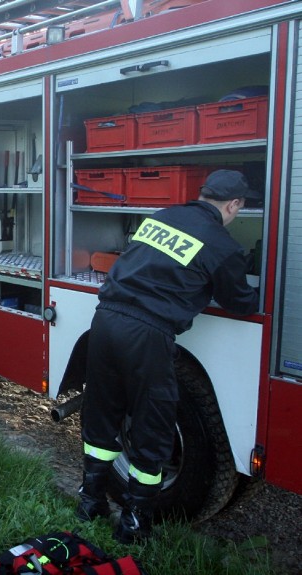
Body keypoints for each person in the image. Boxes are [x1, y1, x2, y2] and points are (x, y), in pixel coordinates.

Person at [76, 170, 260, 543]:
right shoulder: (222, 245)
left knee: (103, 409)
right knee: (152, 421)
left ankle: (90, 501)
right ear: (234, 204)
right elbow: (239, 302)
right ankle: (133, 522)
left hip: (106, 320)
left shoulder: (162, 216)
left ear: (202, 194)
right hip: (147, 333)